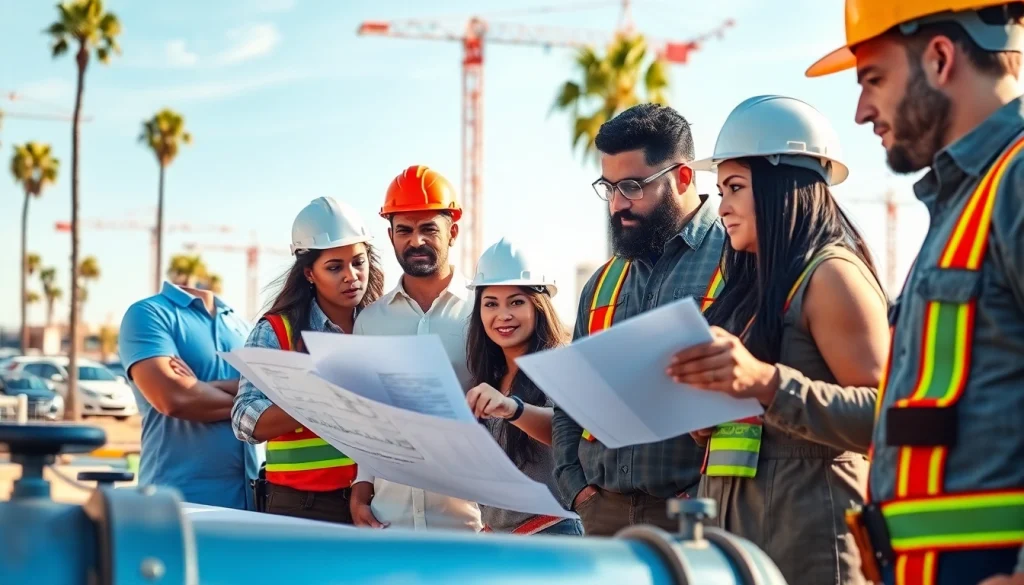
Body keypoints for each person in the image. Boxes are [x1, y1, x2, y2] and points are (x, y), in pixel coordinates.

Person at [803, 2, 1024, 584]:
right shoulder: (965, 204)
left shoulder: (1016, 186)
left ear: (941, 57)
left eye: (873, 79)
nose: (859, 112)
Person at [667, 95, 890, 585]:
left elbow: (885, 416)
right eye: (721, 189)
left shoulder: (833, 277)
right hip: (741, 551)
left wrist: (766, 383)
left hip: (810, 551)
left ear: (781, 185)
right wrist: (705, 417)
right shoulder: (754, 287)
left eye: (735, 188)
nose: (721, 207)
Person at [550, 103, 728, 536]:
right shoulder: (602, 284)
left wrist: (708, 492)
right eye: (608, 187)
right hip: (601, 514)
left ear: (683, 177)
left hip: (699, 516)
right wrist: (576, 488)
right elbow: (571, 403)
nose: (616, 205)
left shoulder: (736, 260)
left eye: (631, 186)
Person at [231, 197, 385, 523]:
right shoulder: (277, 331)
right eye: (334, 267)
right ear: (309, 274)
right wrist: (320, 398)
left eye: (358, 262)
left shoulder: (383, 326)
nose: (351, 276)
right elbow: (245, 420)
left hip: (376, 502)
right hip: (299, 506)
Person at [348, 164, 483, 532]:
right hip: (390, 520)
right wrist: (361, 489)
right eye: (404, 230)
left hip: (470, 523)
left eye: (428, 229)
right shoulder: (370, 323)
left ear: (452, 232)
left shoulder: (484, 312)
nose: (416, 241)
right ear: (390, 235)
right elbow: (367, 419)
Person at [463, 237, 584, 536]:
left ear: (538, 305)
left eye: (516, 302)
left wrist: (512, 408)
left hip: (553, 534)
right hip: (500, 539)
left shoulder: (561, 362)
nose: (502, 315)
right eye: (491, 304)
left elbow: (568, 431)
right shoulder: (489, 376)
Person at [118, 279, 260, 510]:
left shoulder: (243, 326)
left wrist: (200, 386)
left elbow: (272, 394)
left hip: (250, 505)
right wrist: (251, 405)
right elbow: (174, 398)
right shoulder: (149, 314)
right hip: (174, 502)